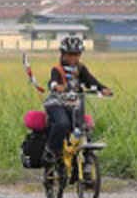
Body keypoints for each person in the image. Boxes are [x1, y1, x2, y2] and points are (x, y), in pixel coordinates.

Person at [42, 36, 112, 164]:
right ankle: (51, 150)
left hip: (75, 104)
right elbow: (53, 82)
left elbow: (91, 82)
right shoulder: (57, 69)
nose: (73, 58)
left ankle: (86, 160)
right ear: (63, 55)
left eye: (77, 55)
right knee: (63, 124)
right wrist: (58, 87)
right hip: (57, 103)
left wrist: (102, 89)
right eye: (70, 55)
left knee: (82, 129)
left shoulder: (80, 69)